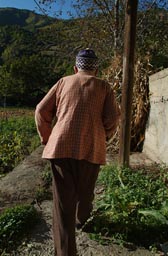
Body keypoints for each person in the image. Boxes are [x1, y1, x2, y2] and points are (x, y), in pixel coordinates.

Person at [35, 49, 120, 256]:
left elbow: (40, 110)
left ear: (76, 68)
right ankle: (82, 219)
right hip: (92, 149)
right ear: (96, 70)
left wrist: (47, 138)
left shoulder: (63, 82)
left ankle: (65, 252)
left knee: (63, 205)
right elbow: (113, 117)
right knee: (85, 192)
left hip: (61, 148)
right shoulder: (104, 86)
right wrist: (104, 135)